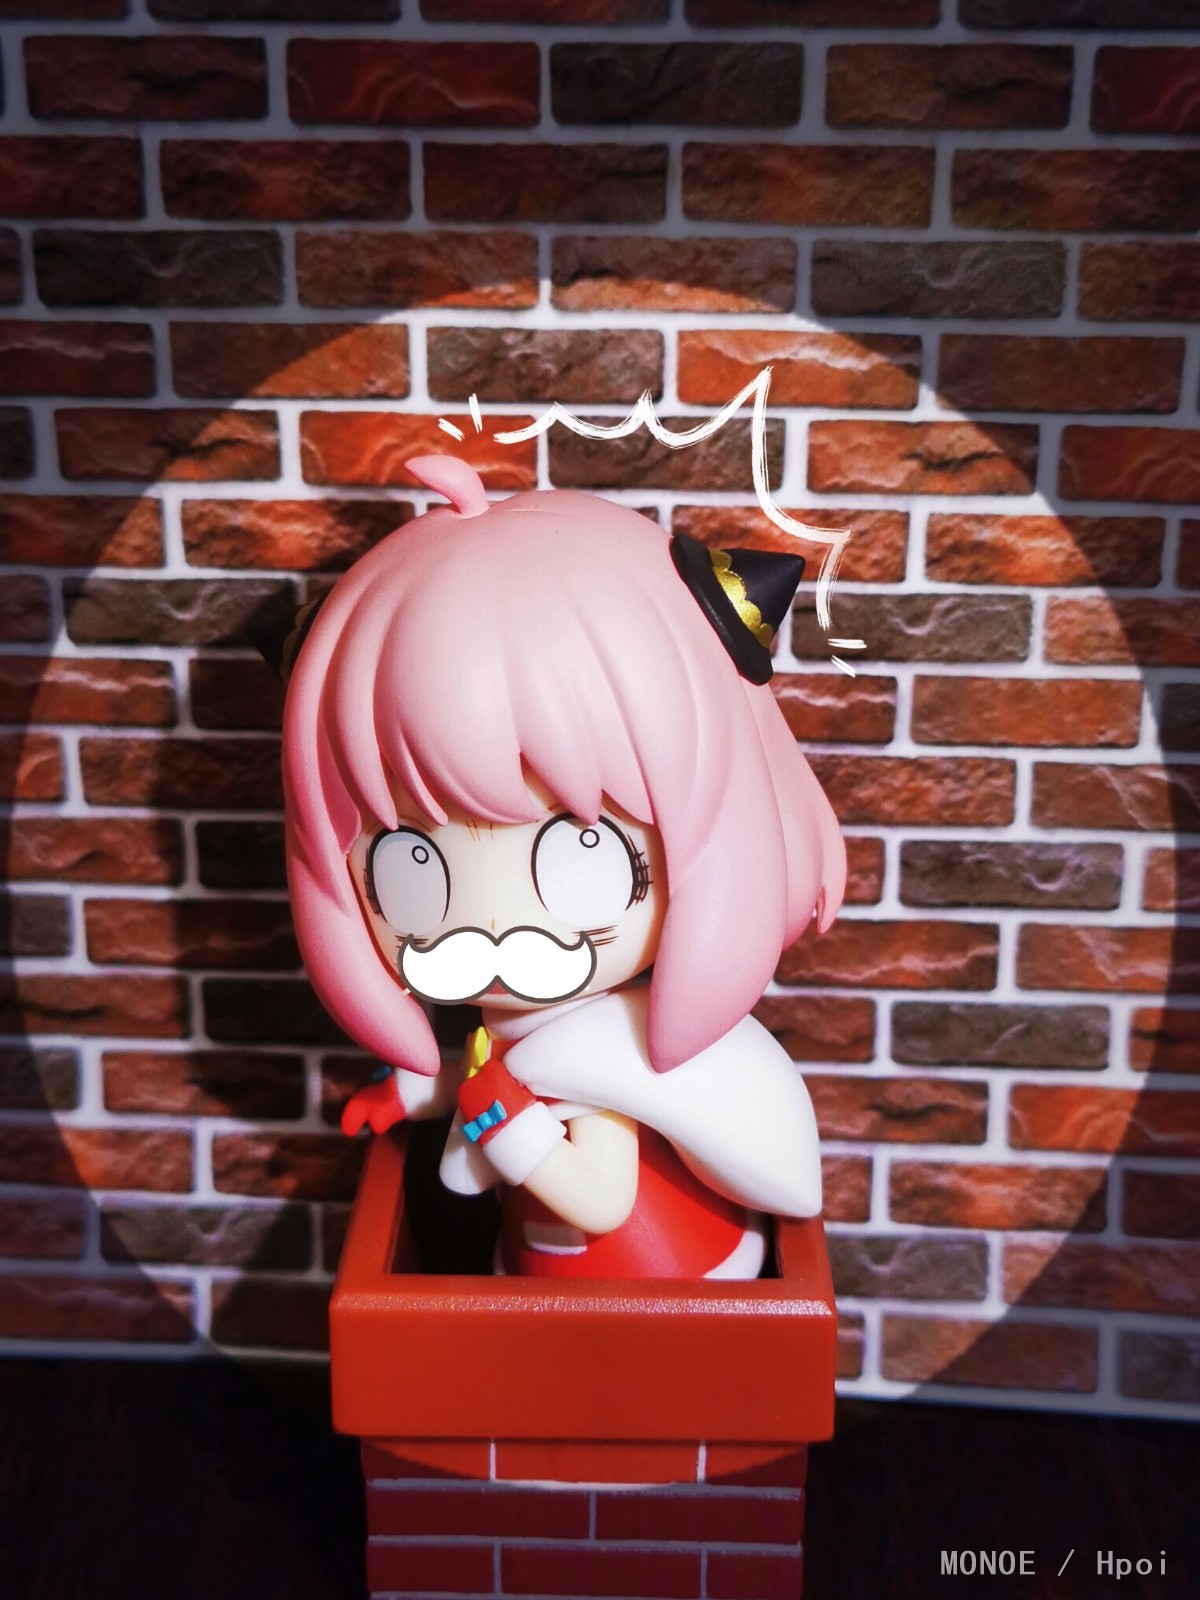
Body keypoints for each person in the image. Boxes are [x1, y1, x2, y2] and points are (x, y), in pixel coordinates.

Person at [274, 454, 845, 1279]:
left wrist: (503, 1124)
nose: (490, 935)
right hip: (538, 1277)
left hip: (663, 1290)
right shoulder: (521, 1034)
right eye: (411, 864)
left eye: (581, 854)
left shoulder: (609, 1059)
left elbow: (602, 1197)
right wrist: (414, 1093)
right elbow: (490, 1073)